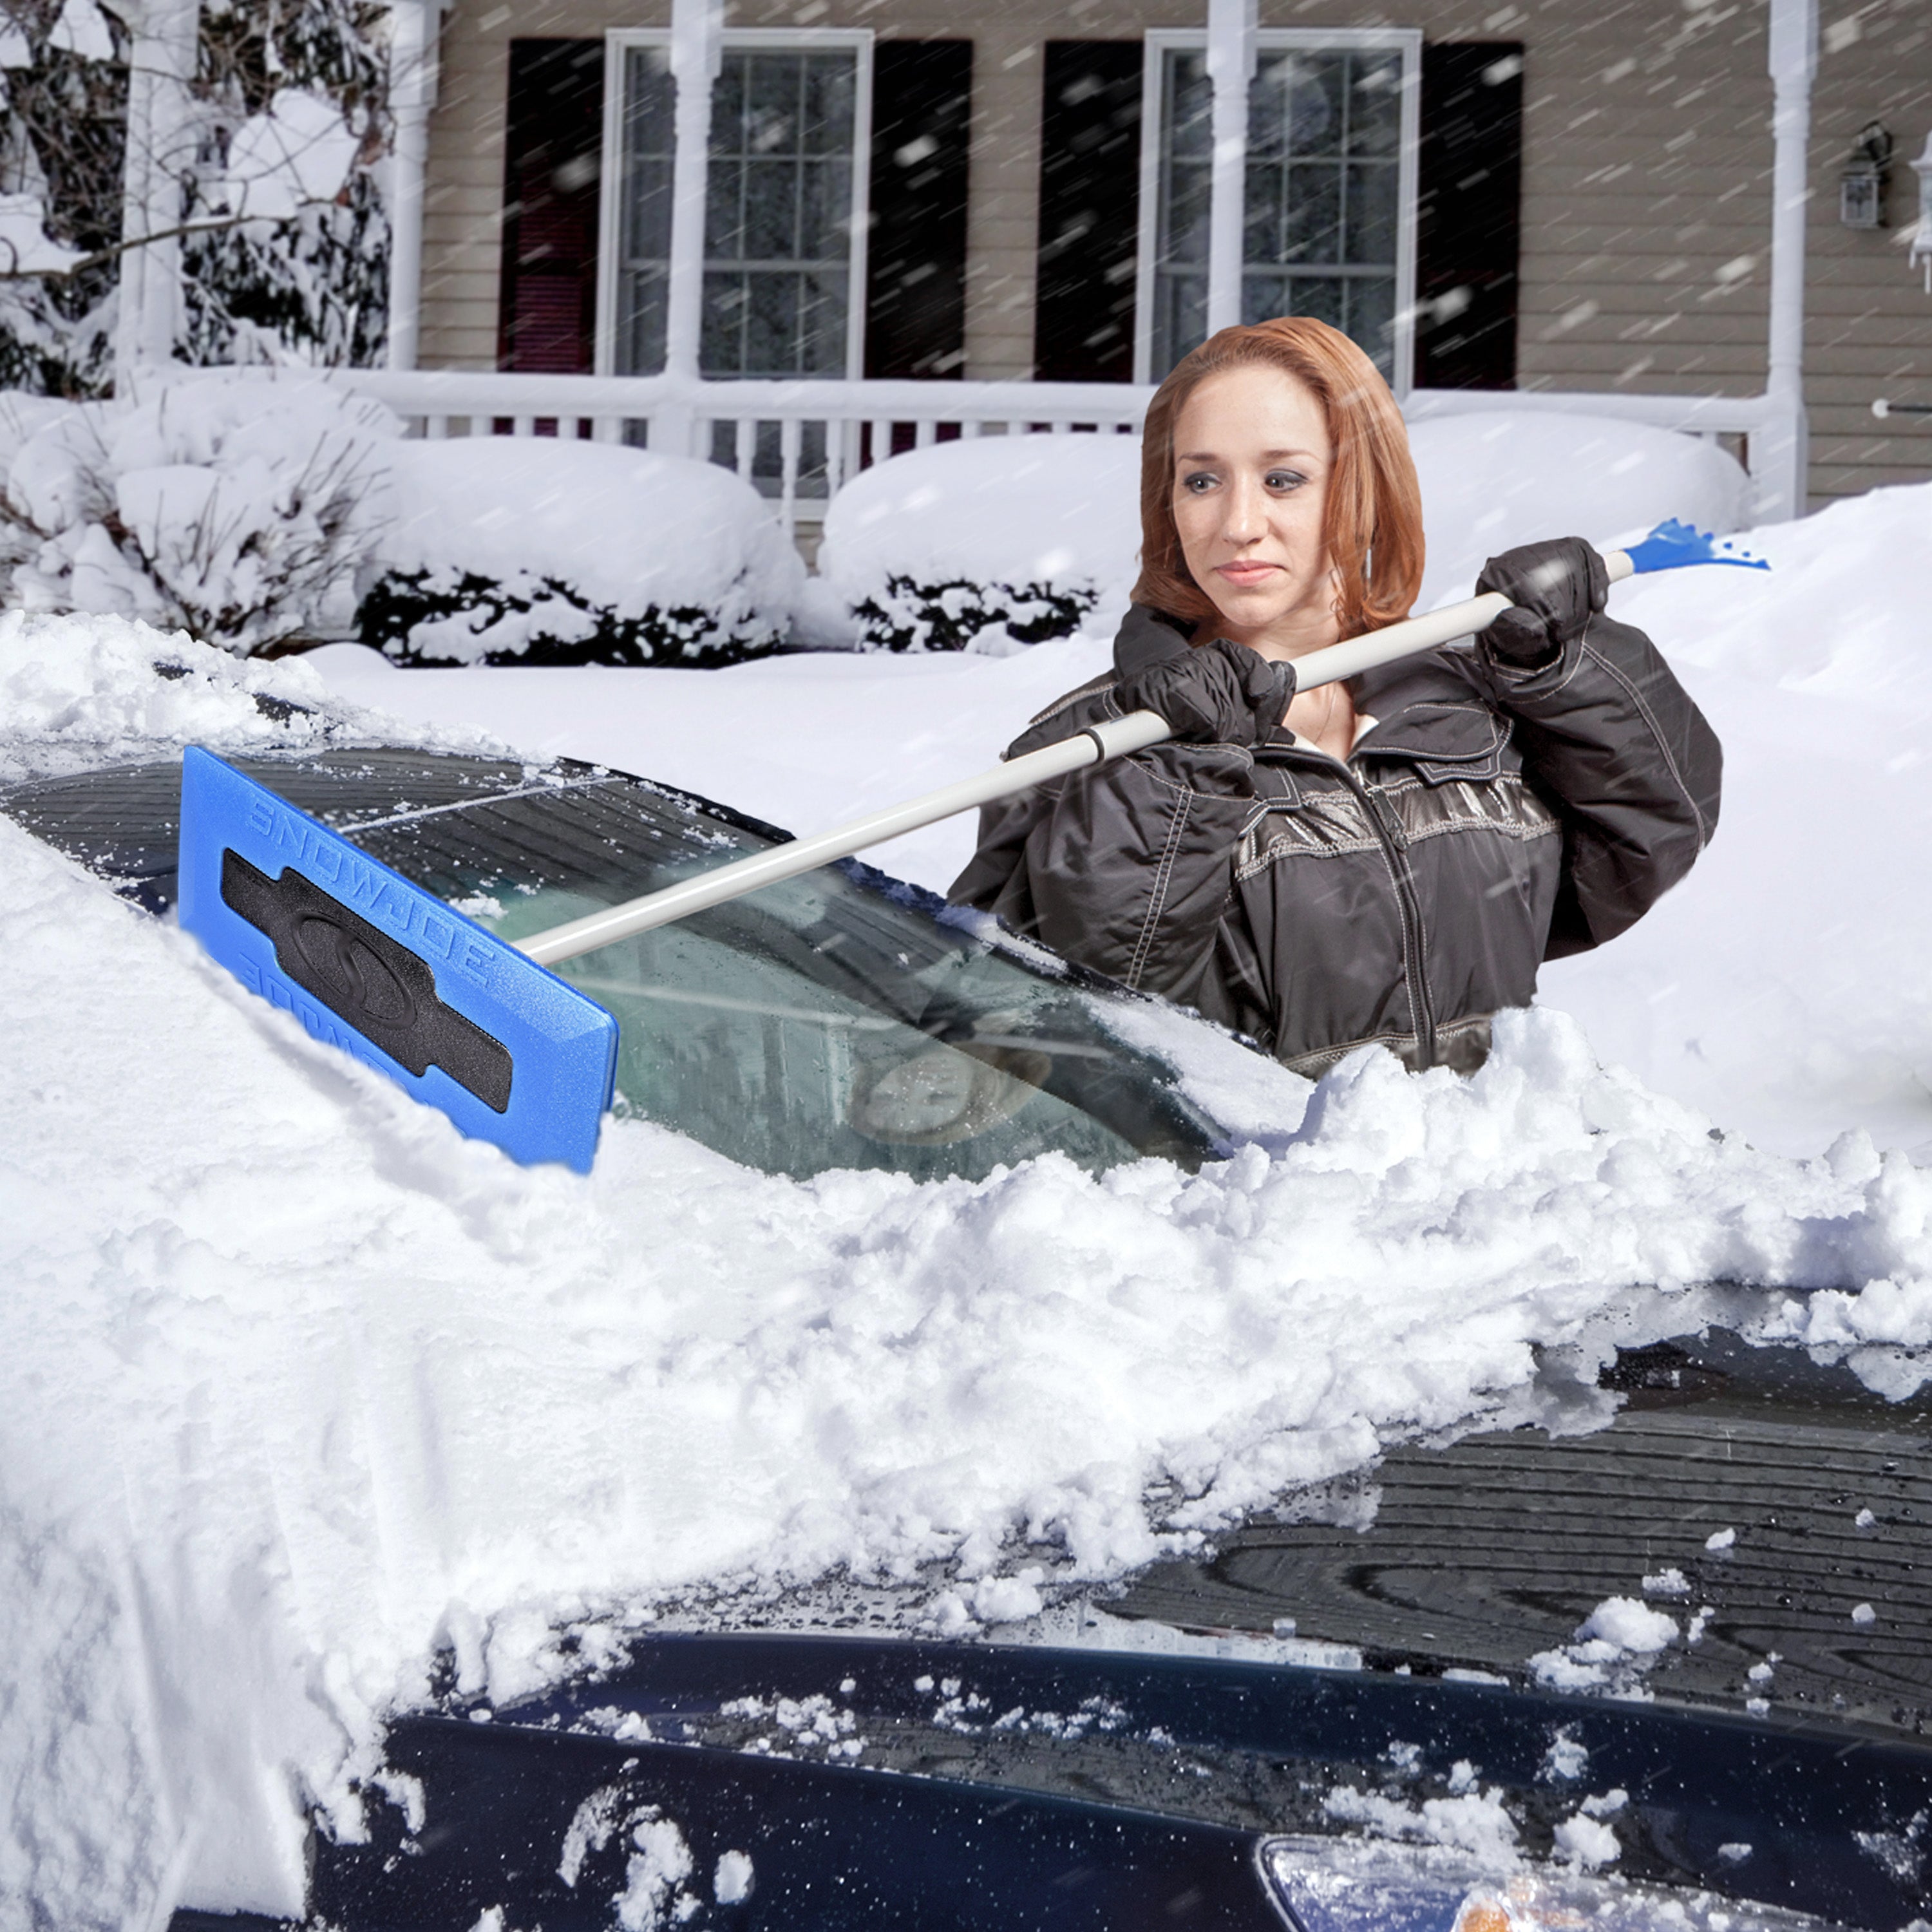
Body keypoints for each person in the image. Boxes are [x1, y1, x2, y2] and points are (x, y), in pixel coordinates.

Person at [947, 317, 1722, 1079]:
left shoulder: (1466, 700)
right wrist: (1177, 769)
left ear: (1361, 489)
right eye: (1202, 480)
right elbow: (1076, 1026)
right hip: (1251, 1197)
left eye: (1283, 478)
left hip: (1481, 1187)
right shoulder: (1090, 745)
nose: (1238, 524)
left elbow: (1651, 838)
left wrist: (1565, 664)